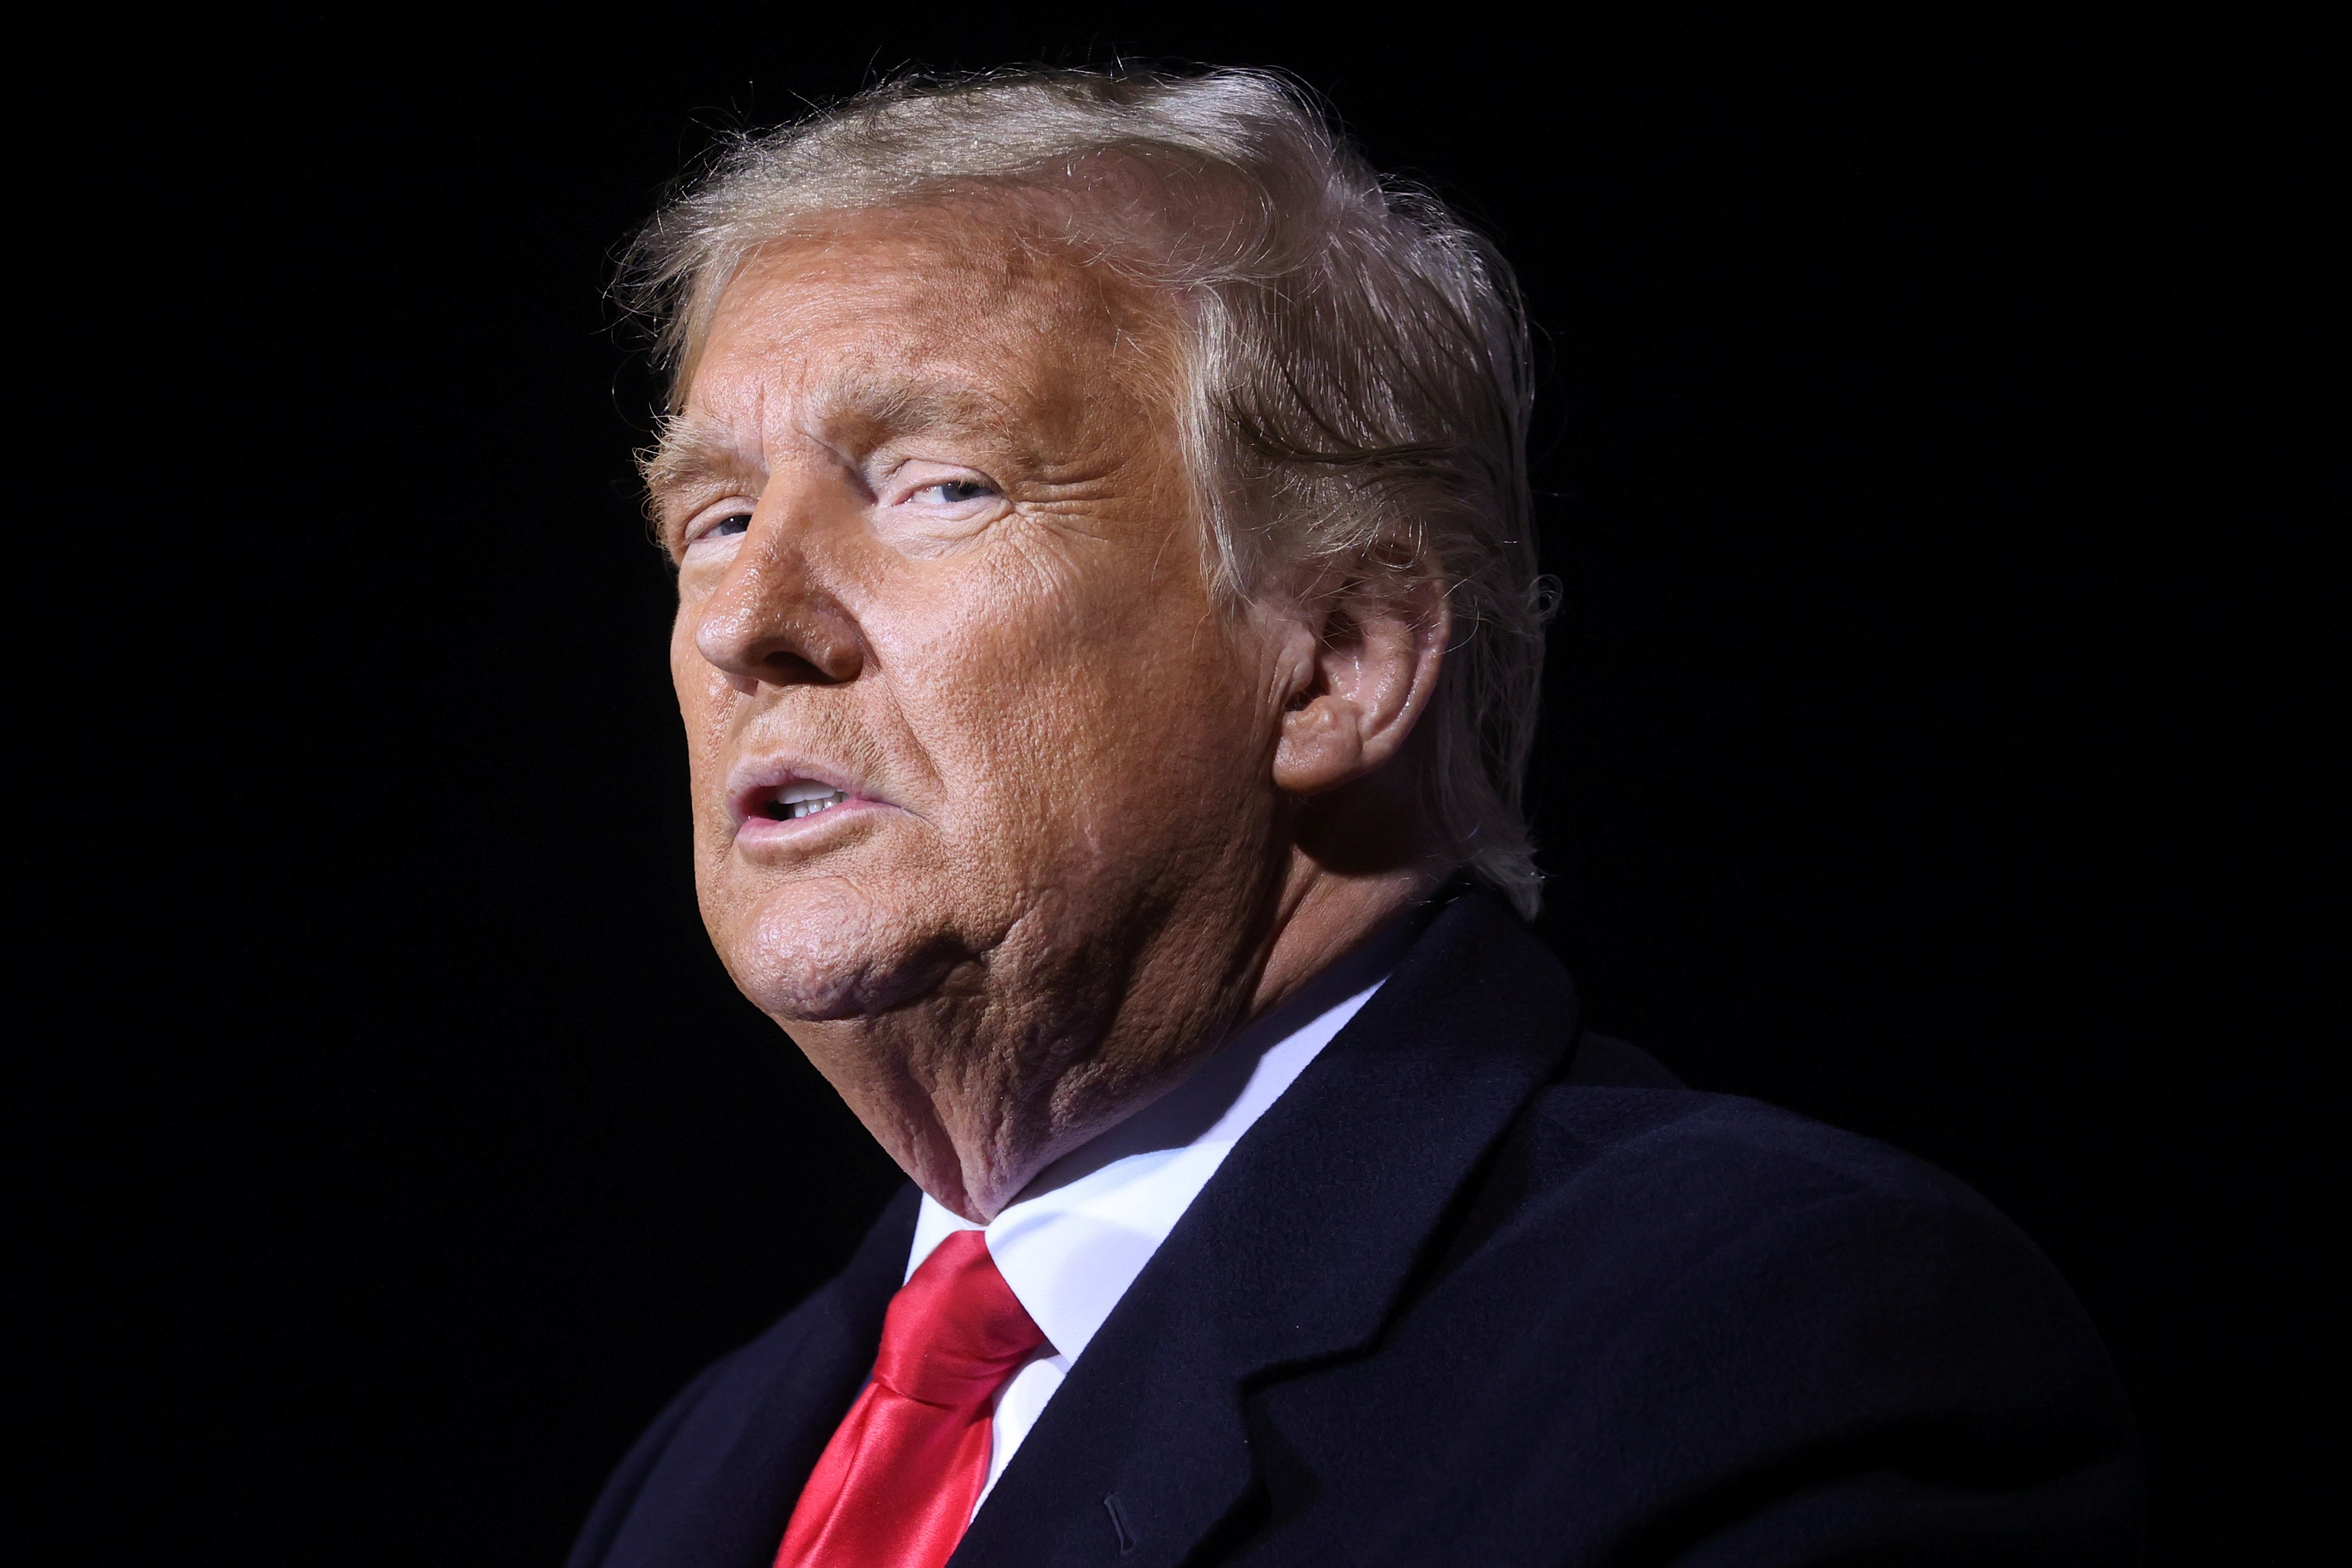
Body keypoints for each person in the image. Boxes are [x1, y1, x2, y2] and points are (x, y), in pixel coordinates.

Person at [567, 67, 2141, 1568]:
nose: (743, 620)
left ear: (1338, 660)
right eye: (712, 520)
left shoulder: (1765, 1334)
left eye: (939, 487)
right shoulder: (712, 1467)